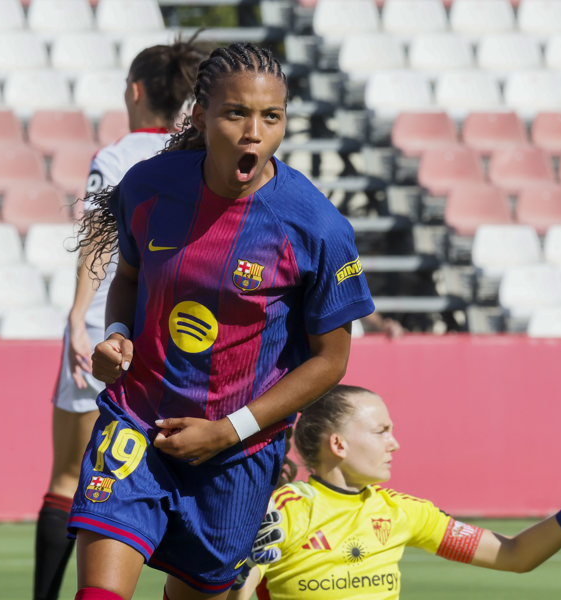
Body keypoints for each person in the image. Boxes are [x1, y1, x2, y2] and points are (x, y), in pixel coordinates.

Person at [68, 42, 376, 600]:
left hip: (238, 453)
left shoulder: (318, 228)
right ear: (203, 115)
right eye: (236, 113)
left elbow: (332, 360)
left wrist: (226, 431)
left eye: (271, 117)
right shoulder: (149, 186)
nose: (254, 131)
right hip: (137, 422)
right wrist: (118, 336)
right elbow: (130, 280)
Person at [33, 39, 208, 600]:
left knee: (71, 475)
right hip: (179, 336)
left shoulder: (117, 155)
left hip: (110, 333)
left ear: (135, 91)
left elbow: (96, 242)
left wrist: (78, 313)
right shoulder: (201, 156)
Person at [230, 384, 561, 600]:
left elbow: (513, 555)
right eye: (381, 431)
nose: (395, 443)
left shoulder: (404, 513)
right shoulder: (284, 510)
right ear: (338, 444)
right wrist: (236, 576)